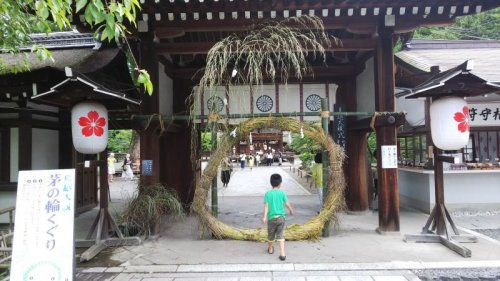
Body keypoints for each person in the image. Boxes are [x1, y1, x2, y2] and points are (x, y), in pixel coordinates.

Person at [261, 173, 294, 261]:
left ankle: (270, 249)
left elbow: (266, 206)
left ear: (271, 183)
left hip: (271, 218)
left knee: (270, 235)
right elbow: (286, 203)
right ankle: (282, 253)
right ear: (280, 183)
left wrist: (264, 217)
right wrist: (290, 209)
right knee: (280, 236)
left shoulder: (268, 194)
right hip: (281, 218)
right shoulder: (282, 193)